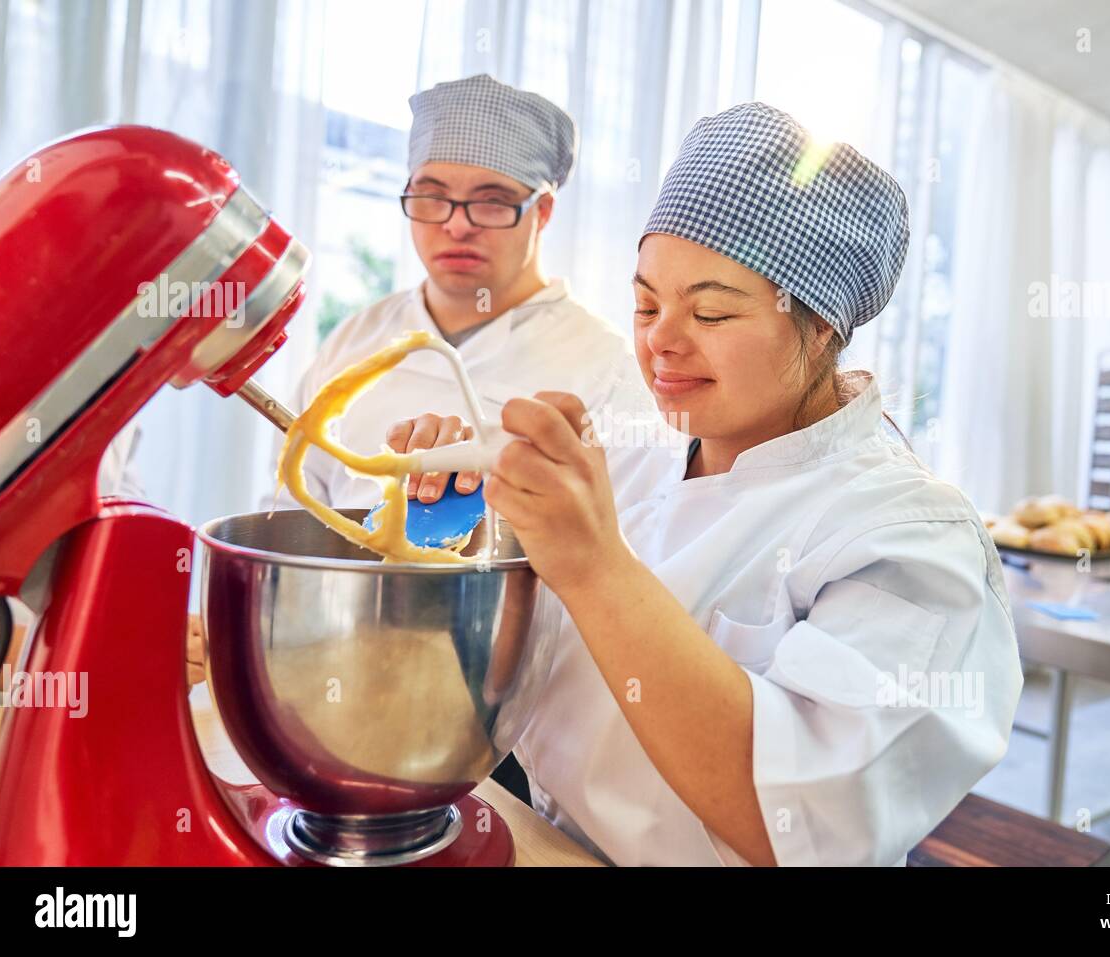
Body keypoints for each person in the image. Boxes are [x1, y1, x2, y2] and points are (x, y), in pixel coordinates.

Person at [386, 102, 1024, 866]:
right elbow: (512, 683)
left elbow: (795, 821)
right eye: (646, 302)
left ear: (822, 326)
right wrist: (477, 533)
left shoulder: (911, 539)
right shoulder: (639, 463)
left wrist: (594, 565)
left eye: (713, 311)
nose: (660, 339)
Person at [277, 73, 634, 510]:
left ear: (542, 212)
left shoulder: (605, 366)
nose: (457, 224)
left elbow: (616, 547)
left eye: (490, 201)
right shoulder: (355, 339)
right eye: (431, 196)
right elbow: (289, 506)